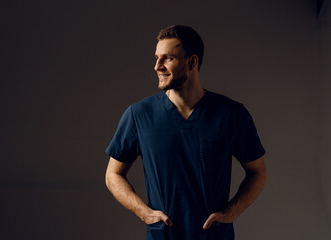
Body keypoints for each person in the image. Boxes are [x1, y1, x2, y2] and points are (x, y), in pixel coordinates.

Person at [105, 25, 267, 240]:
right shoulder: (139, 115)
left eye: (167, 58)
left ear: (192, 62)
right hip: (163, 235)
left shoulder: (231, 114)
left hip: (213, 236)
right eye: (156, 58)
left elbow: (258, 171)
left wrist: (232, 212)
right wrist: (143, 212)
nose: (157, 66)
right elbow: (112, 175)